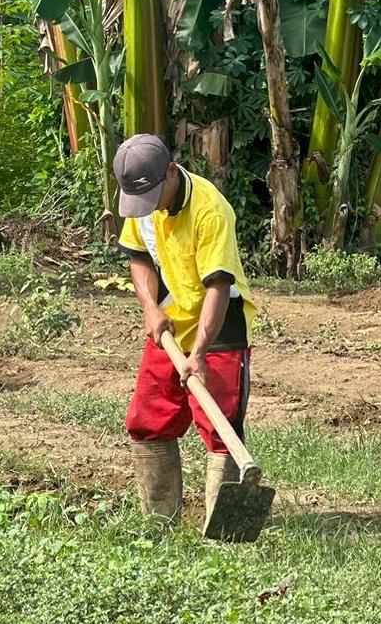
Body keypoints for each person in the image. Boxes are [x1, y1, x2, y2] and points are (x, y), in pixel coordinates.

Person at [113, 134, 258, 529]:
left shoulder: (211, 210)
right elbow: (139, 258)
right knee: (148, 417)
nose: (148, 209)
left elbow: (217, 286)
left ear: (172, 174)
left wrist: (199, 354)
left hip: (219, 323)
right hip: (170, 320)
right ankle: (159, 522)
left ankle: (223, 529)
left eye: (154, 197)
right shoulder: (140, 200)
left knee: (220, 425)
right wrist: (149, 309)